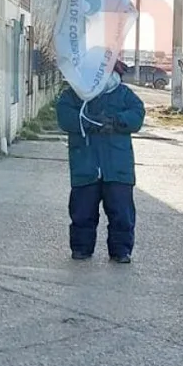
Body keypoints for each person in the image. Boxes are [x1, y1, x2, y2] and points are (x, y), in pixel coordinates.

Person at [55, 61, 147, 263]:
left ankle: (121, 251)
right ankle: (81, 248)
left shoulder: (123, 94)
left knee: (122, 212)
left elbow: (137, 113)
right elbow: (64, 115)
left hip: (117, 166)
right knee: (82, 211)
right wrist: (89, 123)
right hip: (85, 164)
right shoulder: (75, 94)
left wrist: (117, 121)